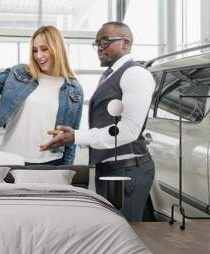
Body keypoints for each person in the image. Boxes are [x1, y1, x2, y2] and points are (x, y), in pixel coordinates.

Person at [40, 21, 155, 221]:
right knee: (116, 229)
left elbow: (128, 130)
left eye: (105, 41)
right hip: (111, 167)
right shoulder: (110, 75)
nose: (99, 47)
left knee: (120, 231)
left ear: (126, 43)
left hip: (127, 168)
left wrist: (77, 136)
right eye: (97, 43)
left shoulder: (135, 74)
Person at [0, 19, 83, 166]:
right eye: (34, 50)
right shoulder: (20, 73)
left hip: (51, 164)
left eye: (44, 49)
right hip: (11, 160)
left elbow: (72, 139)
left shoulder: (74, 90)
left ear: (57, 49)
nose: (38, 56)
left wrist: (67, 172)